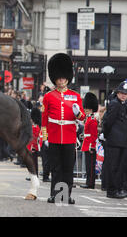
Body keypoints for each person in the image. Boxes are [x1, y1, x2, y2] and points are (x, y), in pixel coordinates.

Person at [42, 53, 86, 204]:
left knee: (67, 168)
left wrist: (77, 113)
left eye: (63, 77)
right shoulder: (49, 96)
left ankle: (66, 195)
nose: (61, 80)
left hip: (69, 136)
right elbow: (44, 119)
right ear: (55, 79)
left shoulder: (75, 96)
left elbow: (81, 118)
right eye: (59, 78)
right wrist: (45, 137)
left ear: (68, 78)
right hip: (54, 136)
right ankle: (55, 194)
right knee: (56, 168)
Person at [102, 81, 127, 199]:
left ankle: (115, 189)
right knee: (113, 166)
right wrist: (106, 135)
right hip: (114, 140)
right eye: (121, 93)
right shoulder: (115, 104)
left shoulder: (122, 104)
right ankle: (111, 191)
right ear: (117, 93)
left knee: (118, 167)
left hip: (121, 140)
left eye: (125, 93)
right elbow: (108, 121)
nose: (123, 95)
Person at [80, 92, 99, 189]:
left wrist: (92, 146)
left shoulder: (92, 120)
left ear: (91, 109)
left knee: (91, 166)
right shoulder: (88, 119)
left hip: (90, 145)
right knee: (88, 165)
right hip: (86, 143)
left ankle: (91, 183)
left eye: (87, 109)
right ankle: (88, 182)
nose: (85, 111)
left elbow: (94, 135)